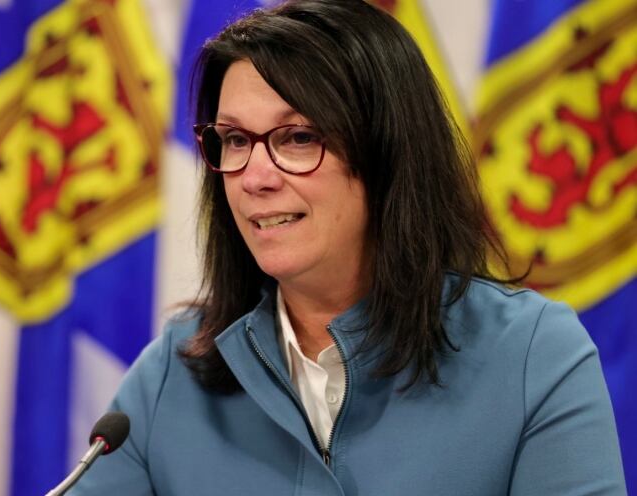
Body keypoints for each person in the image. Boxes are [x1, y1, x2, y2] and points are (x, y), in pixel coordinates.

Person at [71, 0, 625, 494]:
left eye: (298, 137)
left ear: (388, 153)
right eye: (235, 140)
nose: (254, 176)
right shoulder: (176, 368)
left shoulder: (532, 354)